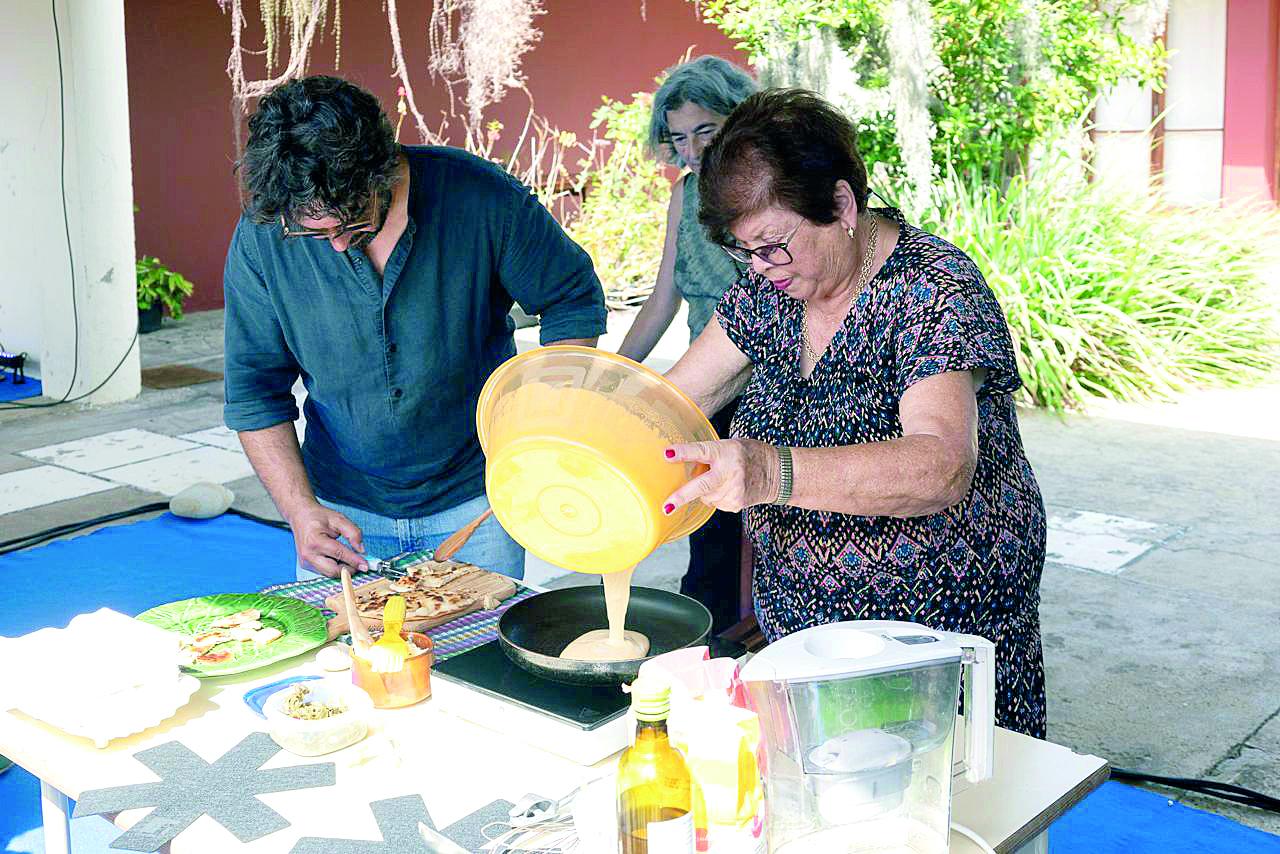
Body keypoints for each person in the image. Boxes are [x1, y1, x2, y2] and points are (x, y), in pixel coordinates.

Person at [661, 90, 1048, 737]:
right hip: (809, 638)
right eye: (745, 251)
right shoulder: (772, 288)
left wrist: (768, 473)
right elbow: (675, 402)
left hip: (936, 639)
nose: (760, 268)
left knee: (941, 811)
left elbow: (942, 464)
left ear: (841, 205)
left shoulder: (933, 289)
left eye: (773, 245)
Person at [223, 76, 607, 581]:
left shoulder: (483, 199)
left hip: (479, 500)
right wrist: (300, 511)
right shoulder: (262, 239)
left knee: (472, 657)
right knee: (348, 659)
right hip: (341, 510)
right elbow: (254, 392)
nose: (338, 246)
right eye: (317, 234)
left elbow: (571, 297)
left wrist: (543, 419)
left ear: (384, 169)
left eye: (354, 223)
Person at [617, 56, 757, 635]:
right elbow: (662, 301)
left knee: (767, 530)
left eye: (706, 131)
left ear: (739, 120)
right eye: (679, 138)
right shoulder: (686, 195)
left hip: (771, 381)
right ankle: (711, 641)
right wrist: (612, 378)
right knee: (706, 525)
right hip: (708, 383)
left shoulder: (766, 189)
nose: (694, 150)